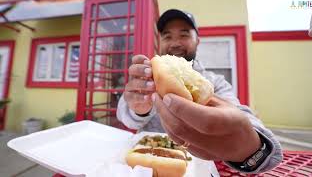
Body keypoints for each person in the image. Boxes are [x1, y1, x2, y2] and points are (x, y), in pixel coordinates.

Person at [117, 9, 283, 174]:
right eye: (167, 36)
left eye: (184, 35)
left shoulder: (214, 83)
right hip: (145, 164)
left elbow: (237, 113)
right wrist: (138, 110)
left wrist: (252, 146)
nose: (175, 43)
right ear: (160, 42)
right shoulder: (146, 78)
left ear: (197, 40)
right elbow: (126, 119)